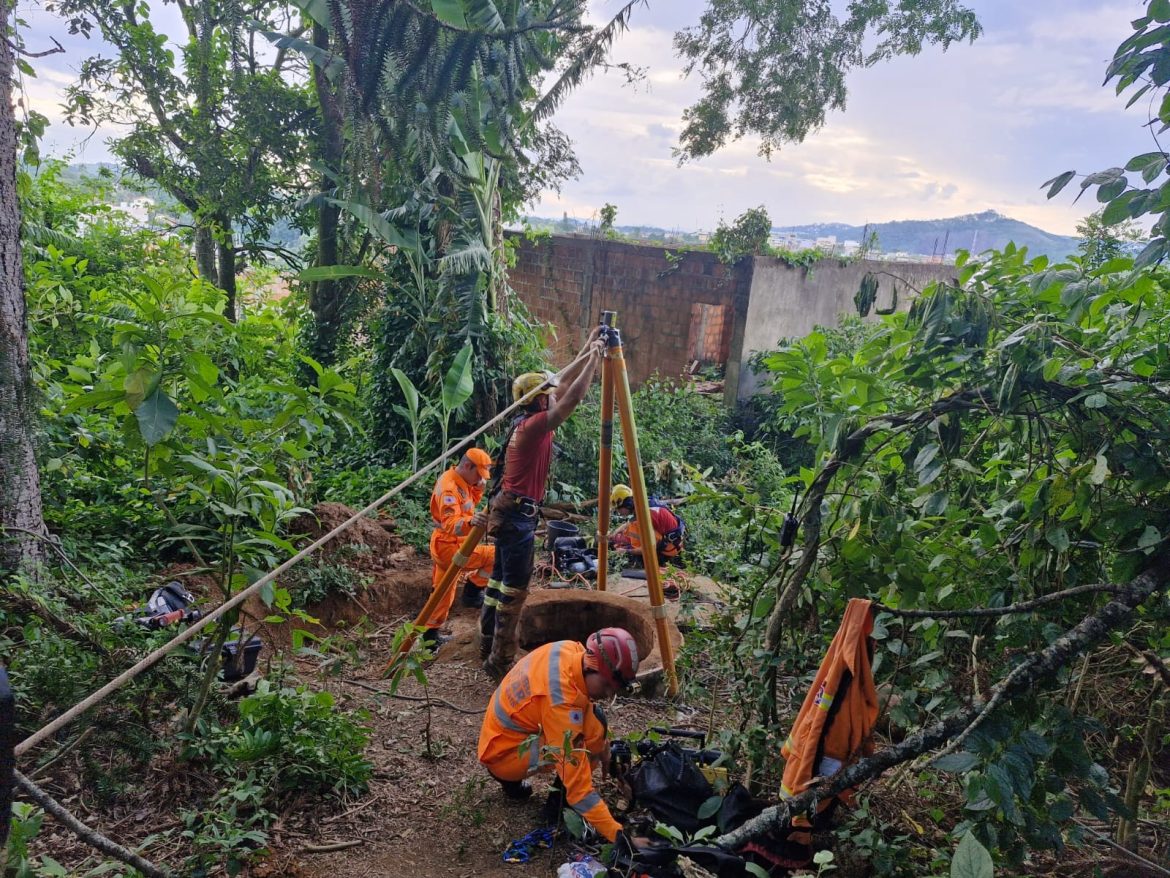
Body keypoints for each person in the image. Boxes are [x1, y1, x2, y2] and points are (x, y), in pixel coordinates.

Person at [480, 329, 605, 680]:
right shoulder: (535, 426)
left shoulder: (525, 419)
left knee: (498, 584)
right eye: (545, 396)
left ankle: (487, 639)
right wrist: (595, 359)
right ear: (536, 401)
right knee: (514, 591)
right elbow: (571, 398)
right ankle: (500, 660)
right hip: (518, 517)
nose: (551, 398)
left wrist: (586, 347)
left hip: (510, 512)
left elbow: (559, 383)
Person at [478, 627, 641, 844]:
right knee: (578, 750)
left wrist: (604, 749)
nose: (609, 694)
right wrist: (619, 836)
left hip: (502, 734)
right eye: (606, 685)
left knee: (595, 721)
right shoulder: (560, 704)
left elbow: (586, 710)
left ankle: (519, 786)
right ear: (592, 666)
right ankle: (556, 812)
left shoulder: (570, 649)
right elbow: (579, 790)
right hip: (500, 756)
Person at [424, 448, 496, 651]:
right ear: (467, 466)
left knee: (442, 592)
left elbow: (468, 503)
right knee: (495, 555)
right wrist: (471, 521)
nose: (480, 479)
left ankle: (429, 637)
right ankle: (473, 592)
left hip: (448, 543)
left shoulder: (462, 482)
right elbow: (451, 523)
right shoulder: (449, 488)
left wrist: (479, 488)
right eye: (478, 475)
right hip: (450, 545)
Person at [608, 484, 685, 567]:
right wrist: (616, 532)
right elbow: (631, 521)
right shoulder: (644, 505)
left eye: (618, 508)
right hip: (670, 543)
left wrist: (626, 551)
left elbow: (649, 548)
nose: (618, 511)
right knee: (629, 532)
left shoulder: (644, 517)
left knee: (630, 549)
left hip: (668, 551)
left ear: (627, 504)